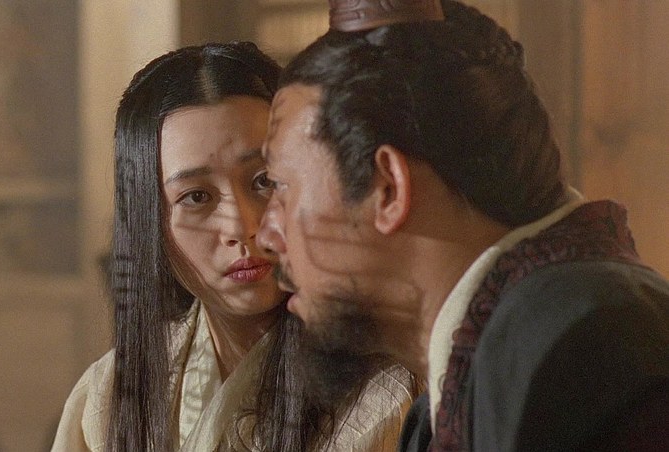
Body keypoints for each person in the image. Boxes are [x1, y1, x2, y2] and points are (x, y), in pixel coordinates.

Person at [257, 1, 669, 451]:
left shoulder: (582, 351)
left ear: (388, 189)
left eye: (280, 187)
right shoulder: (468, 387)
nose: (265, 236)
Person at [51, 41, 419, 452]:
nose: (242, 227)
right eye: (196, 197)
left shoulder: (390, 393)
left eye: (264, 181)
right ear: (149, 219)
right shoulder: (108, 397)